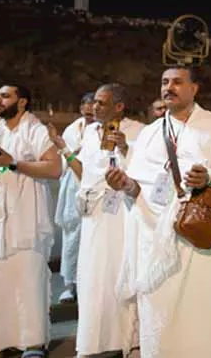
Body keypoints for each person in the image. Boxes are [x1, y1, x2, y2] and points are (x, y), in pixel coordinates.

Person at [105, 67, 211, 357]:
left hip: (199, 239)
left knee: (202, 313)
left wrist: (208, 179)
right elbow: (138, 187)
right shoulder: (149, 133)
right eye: (164, 82)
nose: (168, 88)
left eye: (177, 82)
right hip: (154, 242)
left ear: (194, 89)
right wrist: (126, 184)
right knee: (159, 317)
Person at [0, 85, 62, 357]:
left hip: (25, 218)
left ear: (22, 102)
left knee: (27, 279)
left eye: (5, 96)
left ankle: (33, 343)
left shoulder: (35, 130)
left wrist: (13, 162)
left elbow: (54, 168)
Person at [50, 84, 144, 356]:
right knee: (94, 275)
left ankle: (131, 338)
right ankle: (96, 340)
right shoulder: (90, 133)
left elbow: (145, 171)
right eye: (95, 102)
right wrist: (64, 150)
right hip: (94, 215)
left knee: (121, 270)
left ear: (119, 106)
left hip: (122, 213)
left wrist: (125, 147)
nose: (95, 107)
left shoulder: (139, 131)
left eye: (102, 103)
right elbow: (84, 172)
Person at [52, 91, 95, 304]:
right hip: (72, 188)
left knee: (94, 237)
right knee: (72, 236)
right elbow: (62, 161)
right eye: (86, 110)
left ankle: (91, 284)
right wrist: (73, 154)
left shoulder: (107, 130)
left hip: (95, 188)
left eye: (93, 109)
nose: (89, 113)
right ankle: (69, 284)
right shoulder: (72, 130)